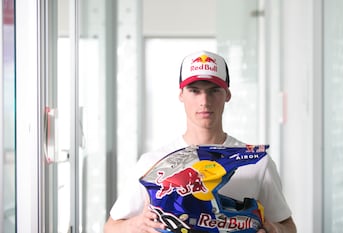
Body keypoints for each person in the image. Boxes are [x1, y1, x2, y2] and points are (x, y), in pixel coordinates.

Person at [104, 50, 297, 233]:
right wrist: (137, 225)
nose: (204, 100)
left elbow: (288, 227)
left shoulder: (256, 162)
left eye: (214, 90)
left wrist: (273, 229)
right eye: (194, 91)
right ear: (181, 95)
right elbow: (110, 227)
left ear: (227, 95)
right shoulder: (153, 163)